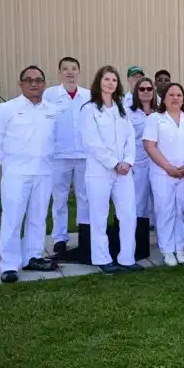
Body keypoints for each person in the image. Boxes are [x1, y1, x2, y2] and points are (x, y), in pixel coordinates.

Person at [0, 65, 59, 283]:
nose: (34, 83)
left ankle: (33, 257)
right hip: (16, 174)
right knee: (12, 218)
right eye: (29, 80)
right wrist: (9, 164)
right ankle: (9, 265)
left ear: (44, 84)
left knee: (38, 217)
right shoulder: (6, 109)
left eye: (38, 80)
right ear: (21, 83)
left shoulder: (52, 110)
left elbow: (55, 140)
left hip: (44, 172)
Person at [80, 65, 143, 275]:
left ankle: (127, 258)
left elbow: (129, 139)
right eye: (106, 79)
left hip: (124, 171)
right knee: (99, 216)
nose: (110, 83)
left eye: (114, 80)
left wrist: (127, 161)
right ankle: (103, 258)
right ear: (99, 82)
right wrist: (114, 163)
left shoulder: (121, 109)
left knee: (128, 214)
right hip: (100, 171)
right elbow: (92, 142)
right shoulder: (89, 109)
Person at [143, 83, 184, 266]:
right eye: (171, 94)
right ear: (164, 98)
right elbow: (149, 146)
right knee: (165, 210)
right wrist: (168, 167)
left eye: (179, 94)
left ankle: (180, 248)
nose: (175, 98)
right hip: (163, 174)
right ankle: (167, 250)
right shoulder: (156, 118)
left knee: (181, 210)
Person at [43, 56, 92, 259]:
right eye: (65, 69)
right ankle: (60, 239)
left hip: (83, 155)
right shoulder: (50, 95)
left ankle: (84, 236)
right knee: (60, 198)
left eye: (73, 68)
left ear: (79, 72)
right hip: (59, 156)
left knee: (84, 198)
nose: (70, 72)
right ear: (60, 73)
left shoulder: (88, 95)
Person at [127, 78, 159, 258]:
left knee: (160, 203)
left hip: (158, 163)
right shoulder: (129, 114)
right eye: (142, 89)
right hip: (138, 163)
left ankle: (165, 243)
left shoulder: (160, 114)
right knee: (138, 203)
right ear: (136, 93)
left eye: (149, 89)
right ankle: (139, 245)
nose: (146, 92)